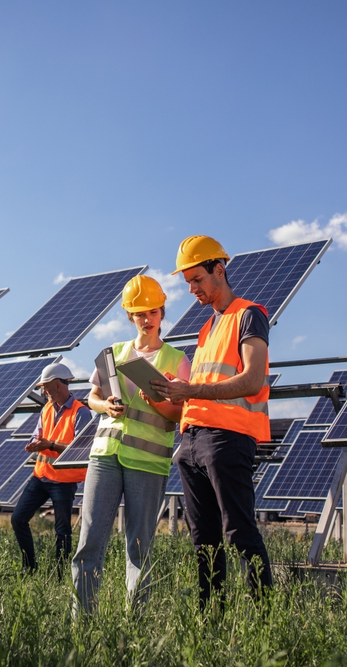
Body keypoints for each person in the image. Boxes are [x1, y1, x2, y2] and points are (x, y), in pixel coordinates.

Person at [150, 235, 273, 607]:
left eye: (197, 280)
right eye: (188, 283)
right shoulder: (206, 329)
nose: (192, 290)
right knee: (203, 539)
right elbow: (204, 385)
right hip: (190, 441)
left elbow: (252, 380)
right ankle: (211, 617)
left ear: (218, 270)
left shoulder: (250, 314)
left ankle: (265, 617)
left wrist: (192, 390)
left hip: (227, 438)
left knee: (238, 532)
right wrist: (176, 390)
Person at [71, 275, 191, 615]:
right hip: (105, 457)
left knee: (139, 548)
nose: (147, 319)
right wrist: (105, 405)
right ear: (130, 316)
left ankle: (135, 625)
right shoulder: (113, 354)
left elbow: (180, 413)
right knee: (89, 542)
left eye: (153, 311)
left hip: (147, 462)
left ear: (162, 313)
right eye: (140, 313)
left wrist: (154, 399)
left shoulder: (176, 359)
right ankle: (83, 622)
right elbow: (91, 396)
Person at [11, 362, 91, 574]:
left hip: (63, 482)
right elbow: (38, 434)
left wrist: (50, 445)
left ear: (58, 385)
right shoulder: (46, 408)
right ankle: (29, 568)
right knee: (18, 518)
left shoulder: (81, 413)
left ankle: (59, 575)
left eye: (45, 386)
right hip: (40, 476)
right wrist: (34, 443)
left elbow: (80, 451)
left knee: (62, 530)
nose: (43, 391)